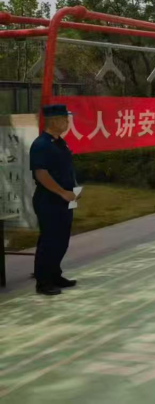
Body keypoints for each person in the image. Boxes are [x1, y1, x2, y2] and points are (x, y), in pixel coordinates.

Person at [30, 104, 80, 296]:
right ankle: (43, 281)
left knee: (61, 240)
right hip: (49, 199)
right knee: (49, 240)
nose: (67, 123)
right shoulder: (41, 144)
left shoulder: (60, 143)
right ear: (54, 121)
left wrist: (74, 189)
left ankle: (55, 274)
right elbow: (41, 173)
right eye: (64, 119)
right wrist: (61, 192)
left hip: (65, 198)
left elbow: (66, 168)